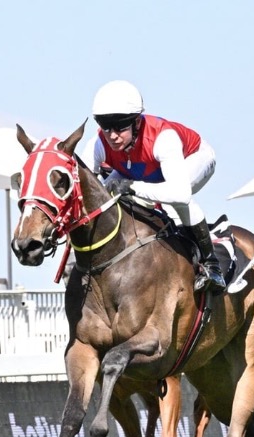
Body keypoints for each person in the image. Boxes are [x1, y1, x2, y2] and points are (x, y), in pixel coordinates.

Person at [82, 80, 224, 292]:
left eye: (120, 126)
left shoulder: (163, 139)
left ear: (136, 123)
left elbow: (180, 194)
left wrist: (132, 187)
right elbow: (83, 189)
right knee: (105, 192)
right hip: (142, 167)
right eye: (105, 126)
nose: (112, 135)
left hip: (194, 158)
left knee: (177, 202)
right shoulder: (98, 143)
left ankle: (212, 264)